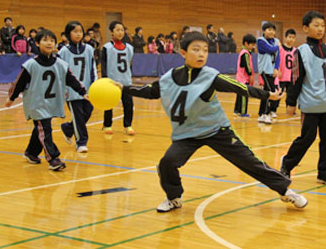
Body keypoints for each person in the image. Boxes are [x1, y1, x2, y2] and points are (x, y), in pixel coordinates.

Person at [117, 32, 307, 212]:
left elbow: (239, 87)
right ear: (183, 53)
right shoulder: (169, 78)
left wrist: (268, 95)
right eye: (196, 49)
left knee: (250, 162)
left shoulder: (210, 75)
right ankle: (174, 197)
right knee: (167, 163)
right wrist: (125, 89)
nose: (202, 54)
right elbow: (150, 91)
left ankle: (285, 191)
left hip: (217, 131)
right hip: (187, 134)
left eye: (205, 50)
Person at [6, 29, 88, 171]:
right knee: (45, 129)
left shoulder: (60, 64)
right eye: (45, 40)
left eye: (51, 40)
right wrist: (11, 97)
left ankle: (31, 153)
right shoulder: (31, 64)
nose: (49, 43)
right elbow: (19, 82)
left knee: (40, 129)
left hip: (51, 102)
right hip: (36, 103)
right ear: (37, 43)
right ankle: (53, 159)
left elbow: (71, 79)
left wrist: (83, 92)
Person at [280, 11, 326, 186]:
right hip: (311, 104)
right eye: (316, 25)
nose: (320, 29)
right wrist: (290, 103)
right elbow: (296, 79)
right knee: (306, 138)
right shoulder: (301, 52)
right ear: (305, 28)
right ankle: (286, 165)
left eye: (322, 25)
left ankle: (324, 172)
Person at [59, 21, 98, 153]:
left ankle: (68, 128)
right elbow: (61, 72)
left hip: (87, 89)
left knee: (87, 112)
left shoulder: (89, 49)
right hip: (71, 91)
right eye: (75, 31)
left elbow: (93, 68)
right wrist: (63, 89)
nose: (78, 34)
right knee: (78, 116)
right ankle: (81, 142)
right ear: (68, 34)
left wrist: (95, 84)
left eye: (80, 31)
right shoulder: (63, 52)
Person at [101, 21, 135, 135]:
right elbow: (104, 64)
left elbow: (130, 63)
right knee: (109, 104)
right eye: (117, 30)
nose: (120, 32)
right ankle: (107, 125)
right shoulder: (107, 48)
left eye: (122, 30)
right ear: (111, 32)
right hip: (112, 81)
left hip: (126, 80)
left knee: (128, 104)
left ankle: (128, 125)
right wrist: (105, 79)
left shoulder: (129, 48)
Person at [257, 21, 280, 124]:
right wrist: (278, 47)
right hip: (265, 70)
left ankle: (264, 113)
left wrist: (276, 68)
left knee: (268, 91)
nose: (271, 32)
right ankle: (264, 114)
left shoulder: (276, 41)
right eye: (269, 30)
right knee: (270, 91)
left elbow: (278, 56)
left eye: (273, 30)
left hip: (272, 70)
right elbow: (270, 49)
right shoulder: (260, 41)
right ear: (264, 31)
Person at [273, 29, 296, 111]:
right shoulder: (280, 49)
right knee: (279, 93)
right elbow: (276, 60)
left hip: (291, 76)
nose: (291, 39)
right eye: (289, 37)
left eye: (293, 38)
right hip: (281, 76)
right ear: (285, 37)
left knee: (291, 94)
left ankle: (289, 109)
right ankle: (273, 109)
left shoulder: (295, 50)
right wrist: (277, 69)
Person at [234, 34, 256, 117]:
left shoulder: (244, 52)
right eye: (252, 44)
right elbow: (247, 65)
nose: (253, 46)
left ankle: (237, 110)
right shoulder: (245, 53)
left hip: (240, 78)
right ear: (246, 44)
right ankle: (243, 112)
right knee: (244, 95)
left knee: (239, 95)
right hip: (243, 79)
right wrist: (250, 75)